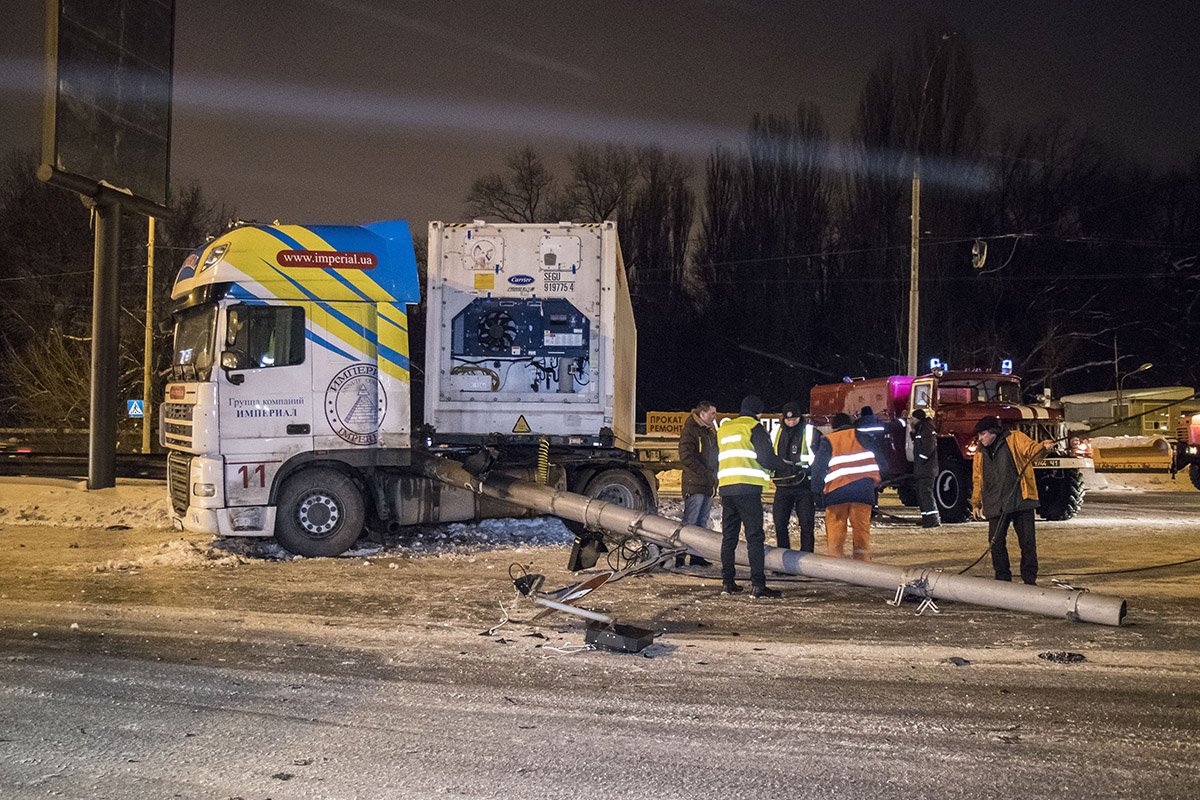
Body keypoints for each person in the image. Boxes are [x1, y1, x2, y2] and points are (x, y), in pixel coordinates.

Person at [717, 395, 791, 599]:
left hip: (727, 488)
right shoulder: (754, 427)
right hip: (748, 489)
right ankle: (758, 585)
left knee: (729, 537)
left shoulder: (725, 429)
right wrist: (786, 465)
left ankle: (728, 583)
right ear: (758, 412)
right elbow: (766, 458)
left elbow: (716, 458)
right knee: (754, 537)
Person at [970, 416, 1054, 585]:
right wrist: (976, 502)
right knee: (996, 543)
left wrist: (1043, 448)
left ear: (994, 432)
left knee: (1028, 543)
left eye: (983, 434)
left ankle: (1029, 580)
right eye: (979, 435)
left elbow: (1032, 451)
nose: (980, 438)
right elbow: (978, 479)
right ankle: (1002, 580)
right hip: (995, 503)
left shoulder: (1015, 438)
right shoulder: (979, 452)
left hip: (1021, 500)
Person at [811, 412, 880, 561]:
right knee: (861, 530)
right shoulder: (864, 437)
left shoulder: (829, 440)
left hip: (837, 492)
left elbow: (818, 468)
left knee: (836, 530)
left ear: (834, 426)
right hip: (863, 492)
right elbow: (882, 462)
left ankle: (836, 564)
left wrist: (816, 492)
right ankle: (862, 564)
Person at [771, 402, 823, 552]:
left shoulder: (810, 432)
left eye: (794, 419)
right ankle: (783, 558)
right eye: (788, 420)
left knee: (806, 524)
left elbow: (821, 457)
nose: (791, 422)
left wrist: (810, 472)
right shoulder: (775, 432)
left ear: (800, 417)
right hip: (782, 485)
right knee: (780, 523)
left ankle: (807, 559)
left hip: (803, 486)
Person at [675, 400, 716, 567]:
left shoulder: (709, 432)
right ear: (702, 414)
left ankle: (696, 556)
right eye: (712, 413)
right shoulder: (691, 430)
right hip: (695, 484)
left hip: (707, 484)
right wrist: (703, 472)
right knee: (690, 522)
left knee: (701, 523)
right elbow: (685, 455)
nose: (715, 417)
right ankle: (680, 555)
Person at [910, 408, 941, 528]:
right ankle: (927, 518)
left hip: (926, 469)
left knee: (926, 493)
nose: (911, 420)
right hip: (923, 468)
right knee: (922, 494)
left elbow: (928, 448)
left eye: (913, 418)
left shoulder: (926, 429)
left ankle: (933, 520)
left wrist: (921, 460)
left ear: (917, 418)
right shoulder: (921, 428)